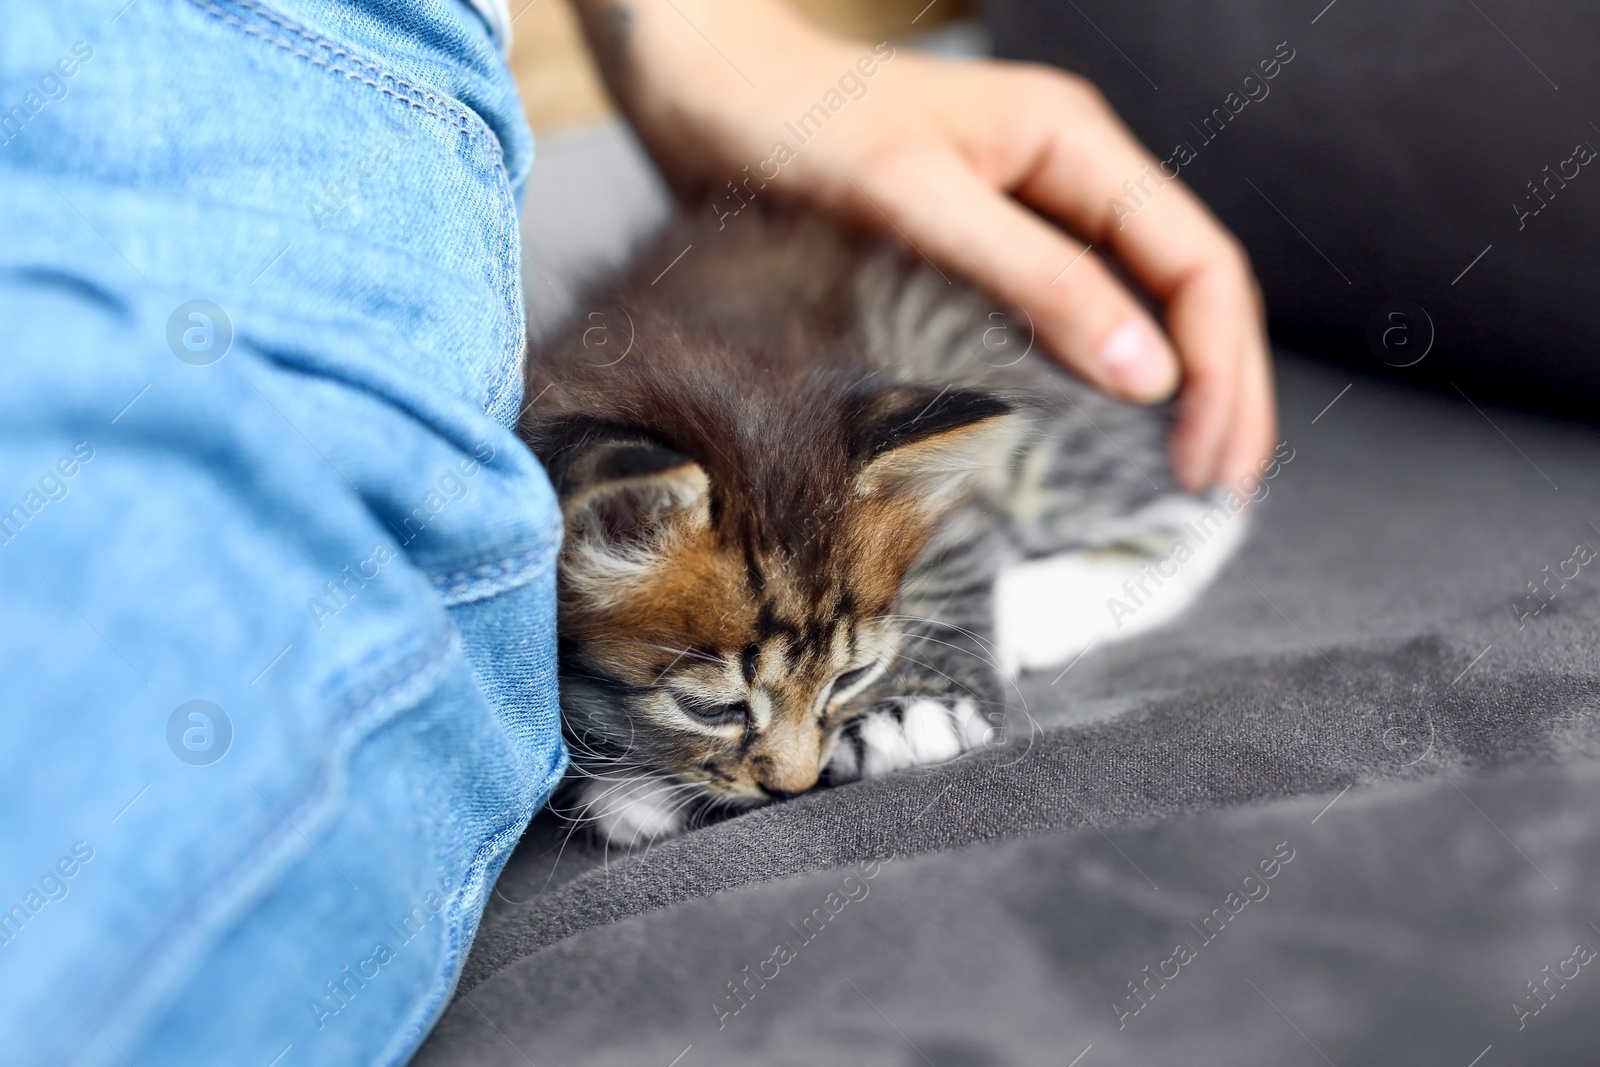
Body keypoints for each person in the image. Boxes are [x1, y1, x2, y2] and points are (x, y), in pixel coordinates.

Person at [0, 1, 1271, 1063]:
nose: (788, 771)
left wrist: (675, 20)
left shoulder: (797, 505)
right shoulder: (630, 518)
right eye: (729, 708)